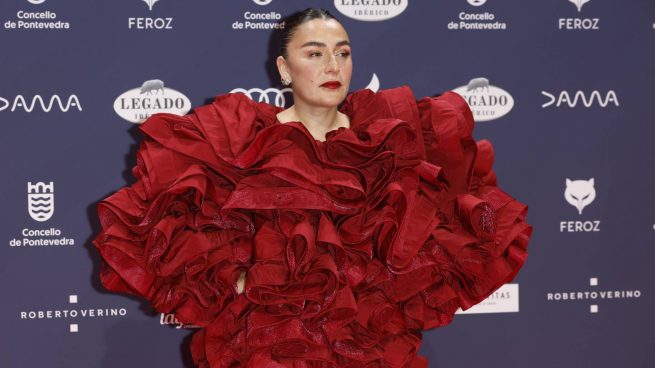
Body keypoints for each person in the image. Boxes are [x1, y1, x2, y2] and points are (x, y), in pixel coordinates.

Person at [93, 7, 532, 368]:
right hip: (267, 342)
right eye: (315, 53)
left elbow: (449, 227)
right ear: (284, 68)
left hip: (366, 343)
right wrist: (239, 279)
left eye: (342, 53)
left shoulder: (392, 143)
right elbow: (162, 229)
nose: (332, 66)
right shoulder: (237, 144)